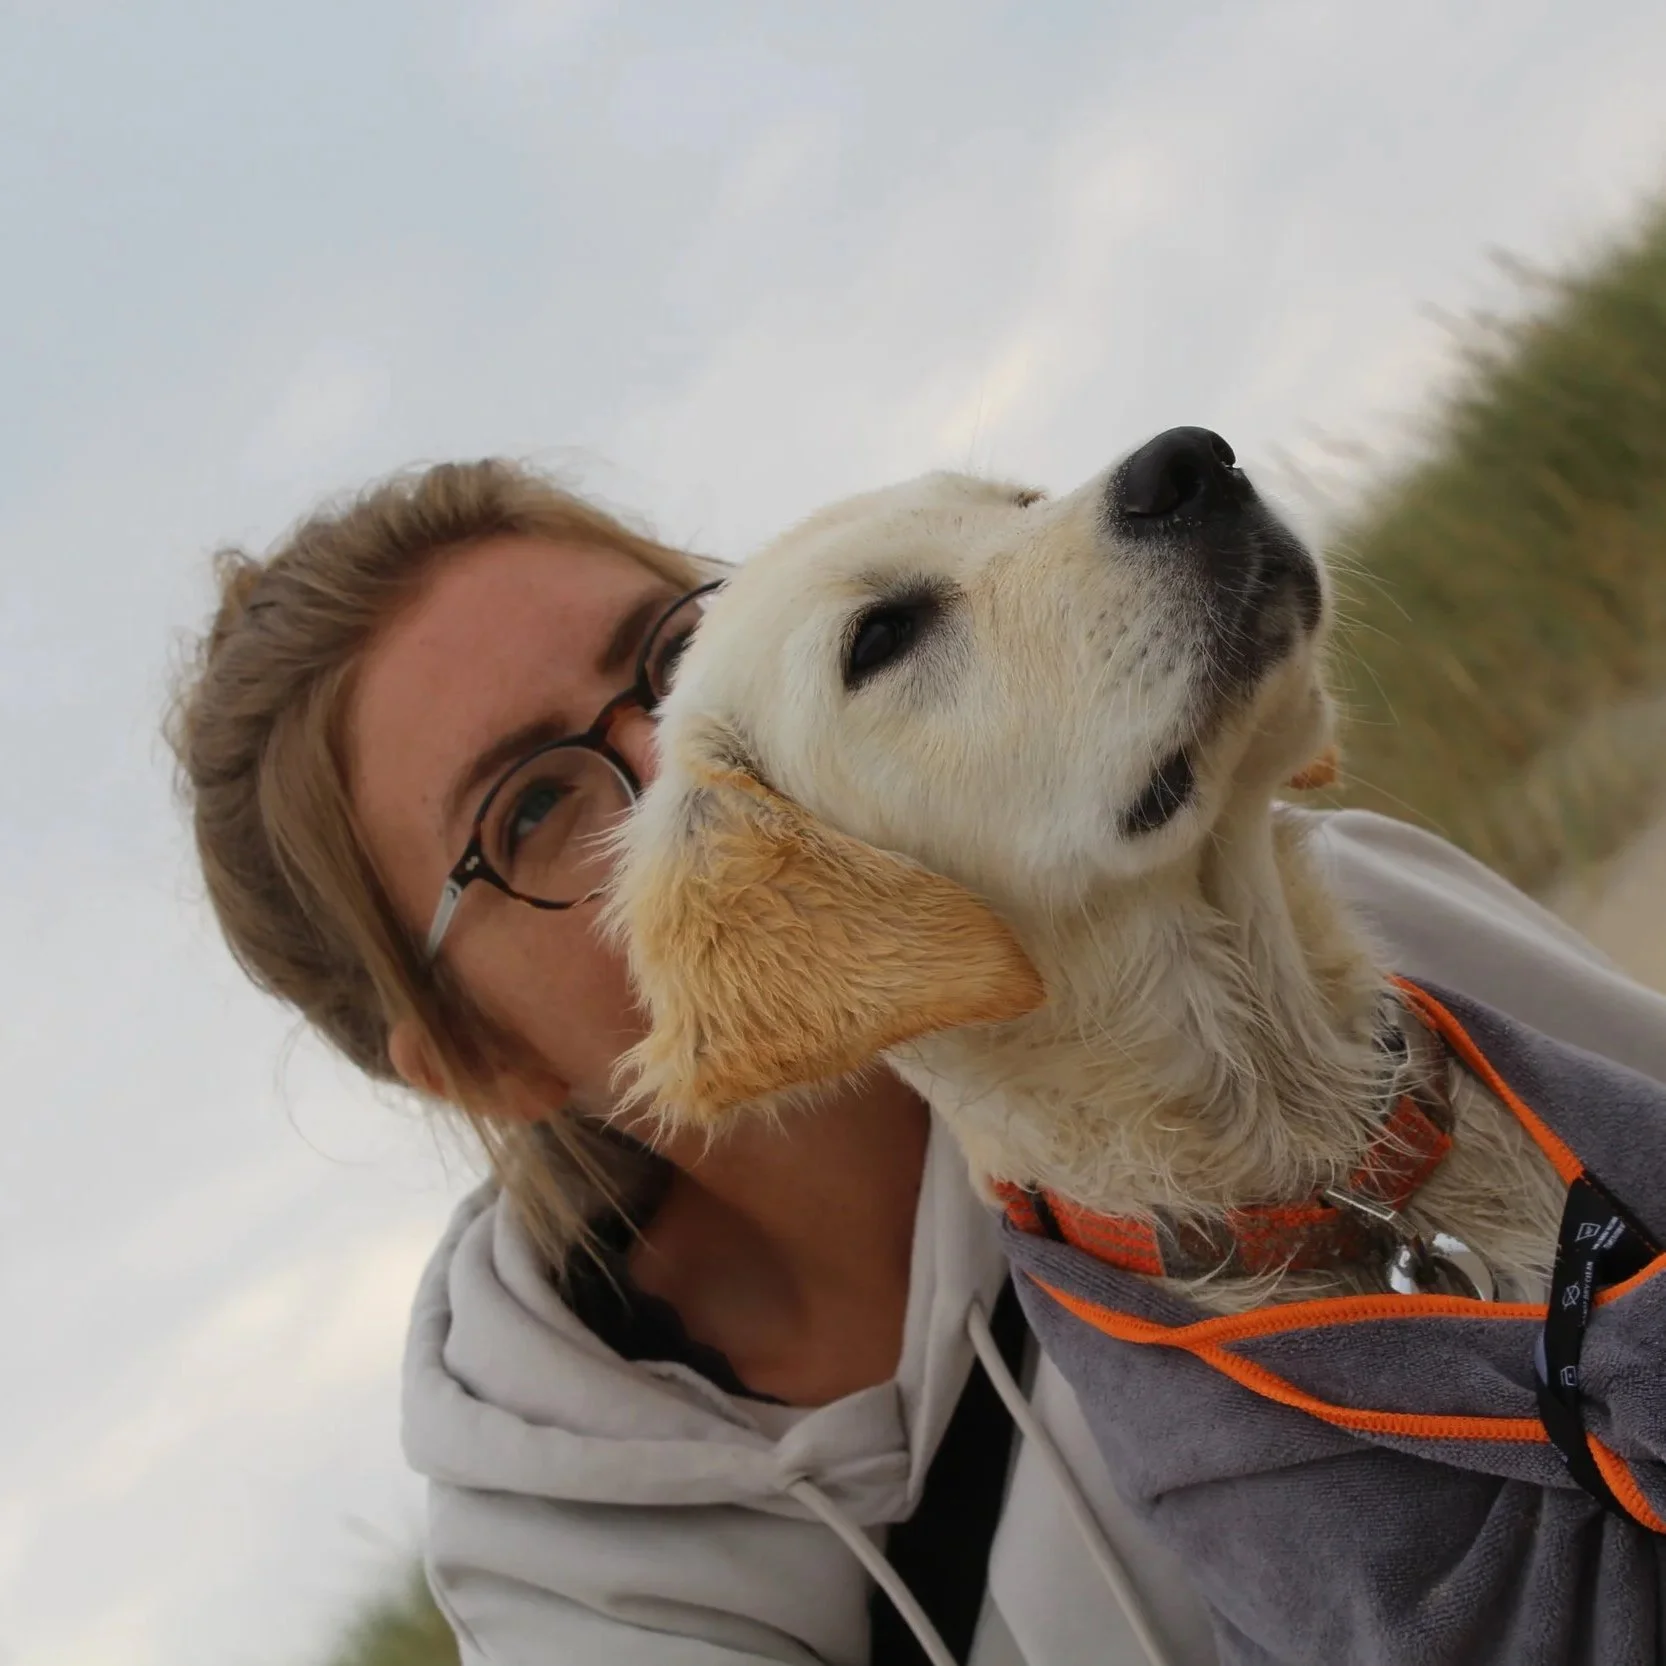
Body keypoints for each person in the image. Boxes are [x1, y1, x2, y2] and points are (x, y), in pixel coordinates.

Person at [169, 457, 1666, 1666]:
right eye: (536, 806)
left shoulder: (1319, 917)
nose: (680, 760)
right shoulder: (589, 1596)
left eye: (681, 654)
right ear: (471, 1060)